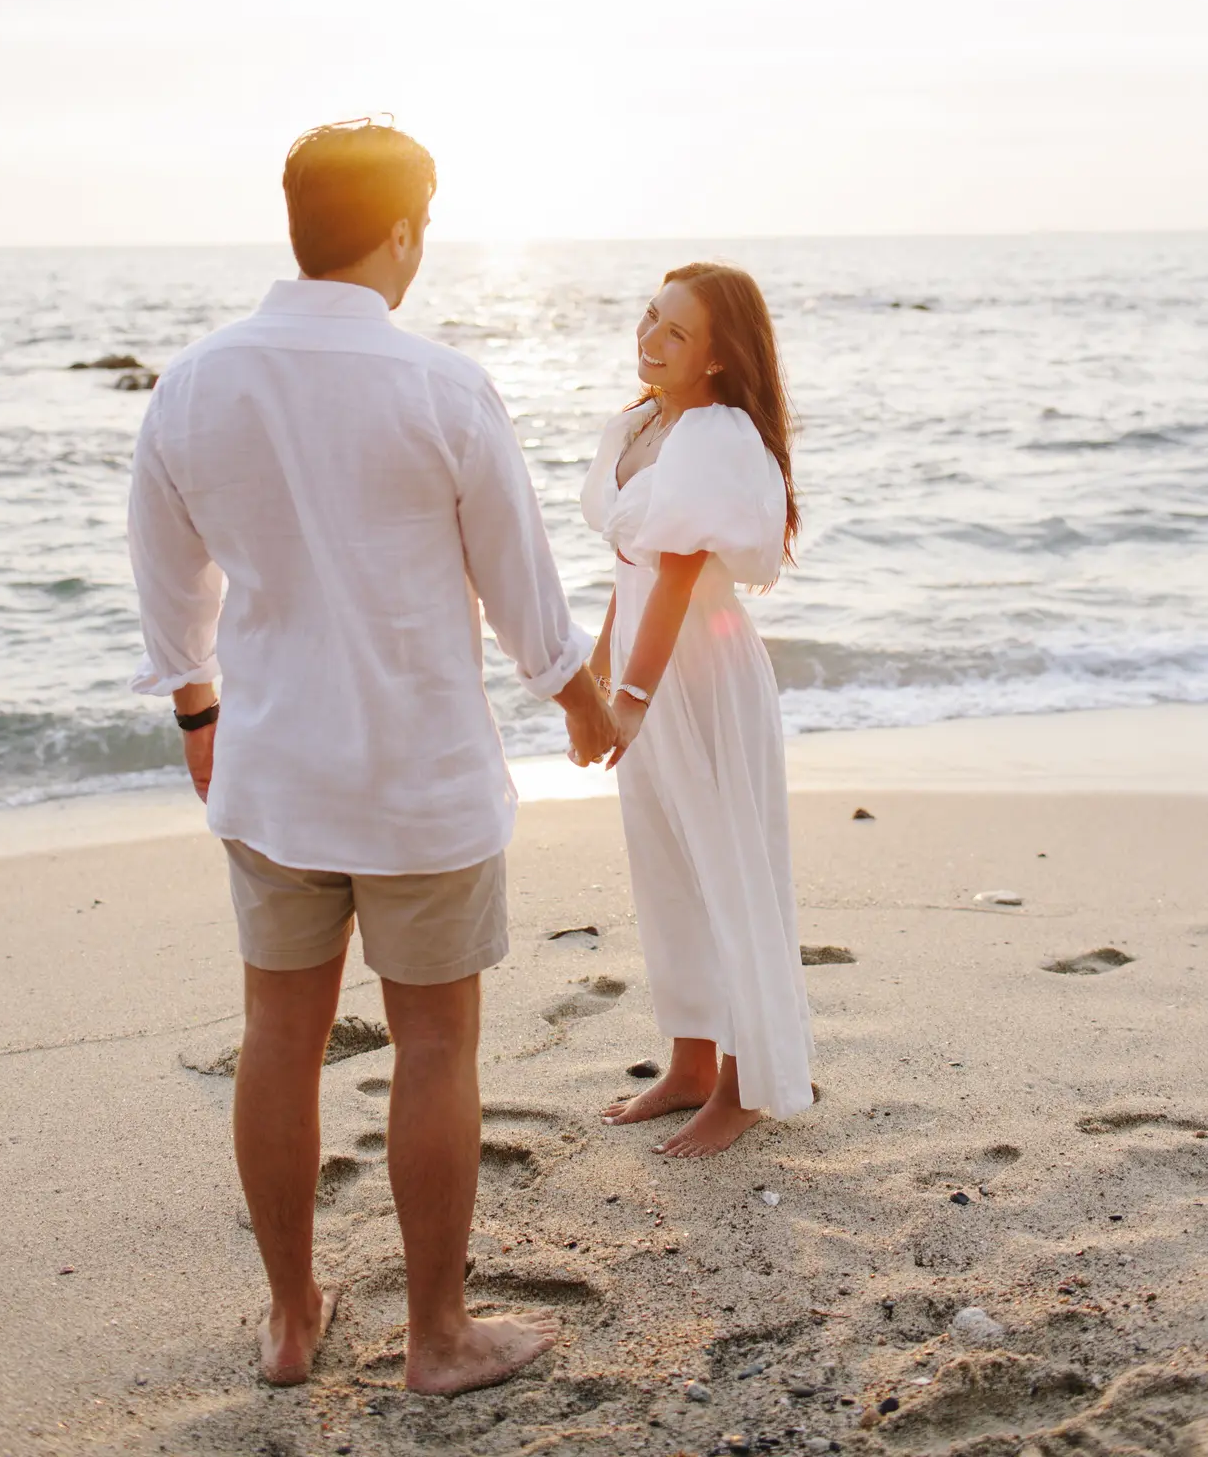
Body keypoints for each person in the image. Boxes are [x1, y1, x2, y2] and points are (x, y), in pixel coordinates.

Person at [128, 120, 615, 1393]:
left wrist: (198, 713)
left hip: (276, 769)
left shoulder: (194, 384)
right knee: (436, 1043)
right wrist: (579, 696)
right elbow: (519, 584)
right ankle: (437, 1336)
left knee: (277, 1035)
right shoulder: (441, 386)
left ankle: (292, 1321)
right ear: (401, 232)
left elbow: (167, 582)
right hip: (420, 778)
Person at [579, 262, 814, 1157]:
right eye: (650, 317)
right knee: (666, 868)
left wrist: (630, 697)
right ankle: (687, 1063)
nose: (650, 339)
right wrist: (595, 672)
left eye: (676, 333)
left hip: (700, 676)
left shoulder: (714, 433)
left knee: (728, 872)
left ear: (718, 359)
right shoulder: (642, 422)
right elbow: (631, 564)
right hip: (647, 663)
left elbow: (678, 567)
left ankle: (746, 1083)